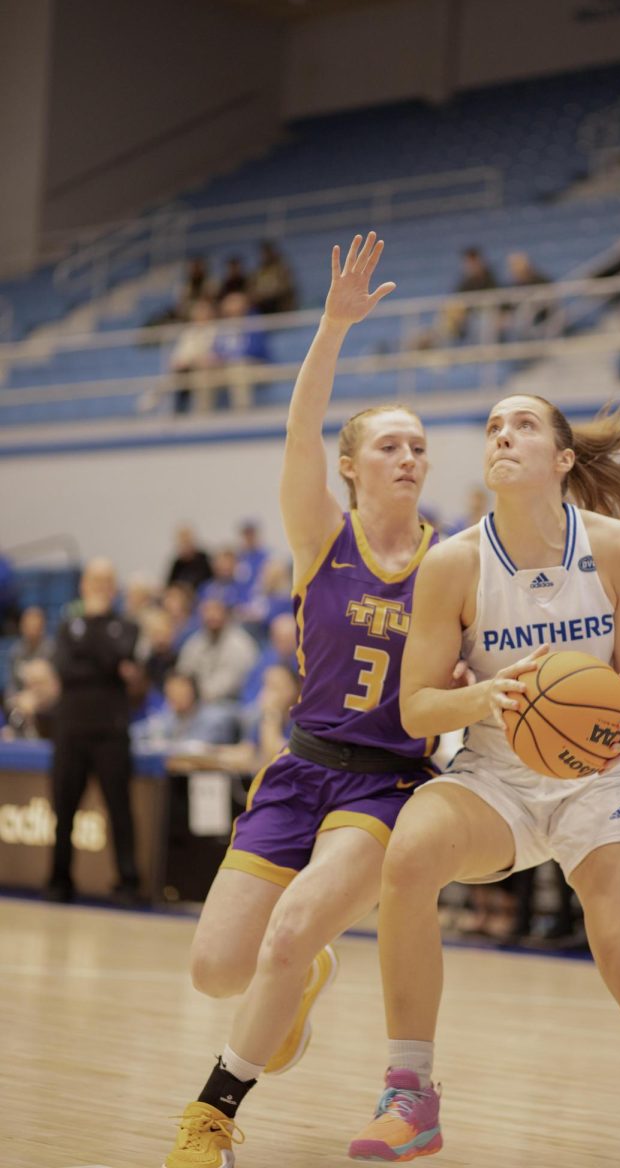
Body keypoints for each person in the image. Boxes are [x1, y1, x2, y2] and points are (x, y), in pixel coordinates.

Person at [348, 395, 620, 1168]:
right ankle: (410, 1092)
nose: (502, 435)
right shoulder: (453, 563)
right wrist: (488, 696)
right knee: (408, 856)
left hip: (599, 776)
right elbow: (415, 709)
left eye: (523, 425)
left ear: (564, 459)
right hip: (496, 775)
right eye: (491, 428)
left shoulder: (618, 549)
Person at [162, 231, 440, 1166]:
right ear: (354, 465)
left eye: (419, 447)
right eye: (390, 446)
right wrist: (331, 326)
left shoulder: (455, 560)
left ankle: (212, 1120)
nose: (409, 458)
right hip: (299, 769)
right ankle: (307, 976)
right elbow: (298, 430)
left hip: (385, 787)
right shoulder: (321, 533)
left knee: (282, 932)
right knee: (215, 969)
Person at [46, 558, 140, 905]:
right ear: (83, 586)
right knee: (64, 809)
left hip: (111, 731)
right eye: (94, 581)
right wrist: (108, 665)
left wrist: (97, 625)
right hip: (70, 730)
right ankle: (59, 880)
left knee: (119, 809)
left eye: (107, 581)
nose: (100, 587)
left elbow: (117, 657)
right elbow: (66, 671)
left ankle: (128, 882)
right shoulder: (67, 625)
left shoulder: (125, 625)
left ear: (113, 589)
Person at [176, 597, 258, 704]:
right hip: (197, 701)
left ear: (226, 614)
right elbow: (183, 671)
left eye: (216, 611)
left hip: (231, 702)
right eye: (207, 611)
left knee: (211, 718)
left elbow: (230, 685)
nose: (211, 616)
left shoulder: (240, 644)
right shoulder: (196, 642)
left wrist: (196, 696)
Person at [7, 605, 54, 696]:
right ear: (22, 626)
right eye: (28, 625)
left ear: (42, 627)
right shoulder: (15, 652)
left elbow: (55, 685)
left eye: (35, 626)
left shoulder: (52, 650)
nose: (32, 630)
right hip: (21, 699)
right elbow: (12, 686)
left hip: (46, 699)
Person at [251, 241, 297, 315]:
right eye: (263, 253)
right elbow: (252, 289)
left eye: (267, 253)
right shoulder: (259, 271)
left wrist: (268, 293)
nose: (265, 256)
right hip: (263, 306)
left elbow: (285, 287)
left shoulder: (282, 267)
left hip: (279, 305)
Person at [166, 527, 213, 593]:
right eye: (182, 543)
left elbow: (209, 581)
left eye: (187, 542)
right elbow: (169, 584)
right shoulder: (178, 563)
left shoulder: (203, 560)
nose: (184, 547)